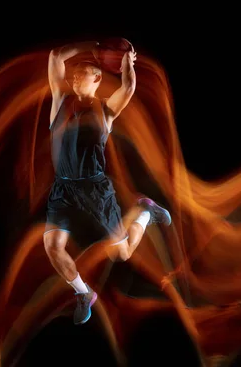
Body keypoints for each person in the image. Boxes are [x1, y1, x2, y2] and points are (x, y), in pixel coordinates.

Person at [43, 40, 172, 325]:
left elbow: (128, 88)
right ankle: (84, 293)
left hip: (95, 192)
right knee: (52, 246)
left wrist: (127, 62)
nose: (75, 76)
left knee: (122, 254)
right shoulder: (59, 101)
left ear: (98, 77)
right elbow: (56, 56)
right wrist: (92, 44)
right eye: (73, 73)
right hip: (63, 189)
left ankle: (144, 212)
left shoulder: (106, 110)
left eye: (82, 72)